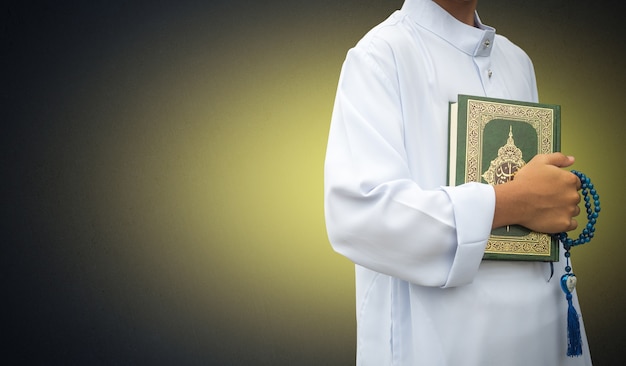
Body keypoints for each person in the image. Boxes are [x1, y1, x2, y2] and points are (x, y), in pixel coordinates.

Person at [323, 0, 592, 365]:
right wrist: (510, 202)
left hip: (537, 335)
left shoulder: (517, 62)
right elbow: (360, 213)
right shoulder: (381, 55)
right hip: (439, 343)